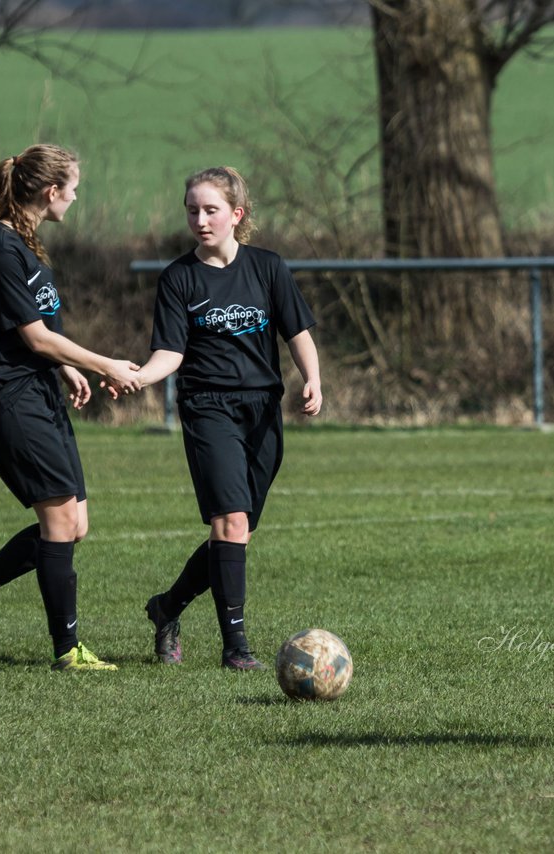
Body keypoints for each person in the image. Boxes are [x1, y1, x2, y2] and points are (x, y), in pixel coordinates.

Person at [0, 143, 140, 672]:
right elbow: (35, 336)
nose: (76, 197)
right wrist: (102, 364)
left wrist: (66, 367)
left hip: (38, 390)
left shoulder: (25, 244)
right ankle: (67, 650)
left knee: (75, 525)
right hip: (9, 397)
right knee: (58, 520)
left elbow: (39, 331)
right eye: (73, 188)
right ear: (52, 191)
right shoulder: (1, 247)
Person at [135, 166, 322, 670]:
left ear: (236, 215)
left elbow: (297, 331)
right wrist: (140, 378)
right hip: (206, 407)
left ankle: (167, 607)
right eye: (192, 210)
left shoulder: (267, 267)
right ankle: (236, 648)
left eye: (211, 210)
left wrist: (313, 378)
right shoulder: (179, 278)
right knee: (230, 522)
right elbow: (169, 353)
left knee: (237, 533)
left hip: (262, 411)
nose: (200, 219)